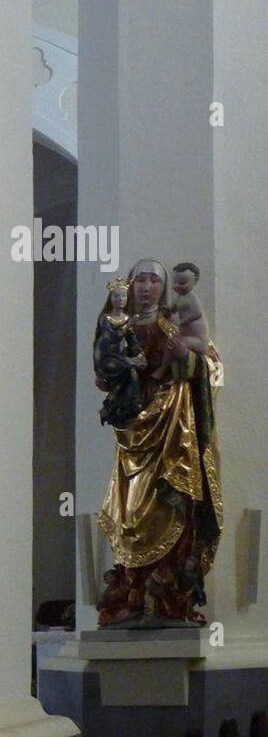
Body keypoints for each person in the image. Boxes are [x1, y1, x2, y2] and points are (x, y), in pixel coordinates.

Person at [96, 260, 222, 627]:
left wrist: (185, 356)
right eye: (139, 280)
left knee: (174, 498)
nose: (146, 286)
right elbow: (104, 367)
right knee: (131, 508)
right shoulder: (119, 326)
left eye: (153, 280)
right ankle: (131, 585)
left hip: (171, 429)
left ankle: (168, 589)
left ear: (164, 287)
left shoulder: (175, 324)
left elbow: (210, 368)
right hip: (133, 428)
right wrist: (109, 374)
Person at [92, 276, 146, 429]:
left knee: (133, 372)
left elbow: (132, 341)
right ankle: (111, 405)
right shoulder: (106, 319)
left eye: (124, 296)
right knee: (129, 367)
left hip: (121, 359)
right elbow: (111, 338)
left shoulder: (127, 318)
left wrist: (139, 354)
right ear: (111, 299)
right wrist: (129, 325)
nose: (120, 299)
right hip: (106, 360)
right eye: (116, 296)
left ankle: (131, 406)